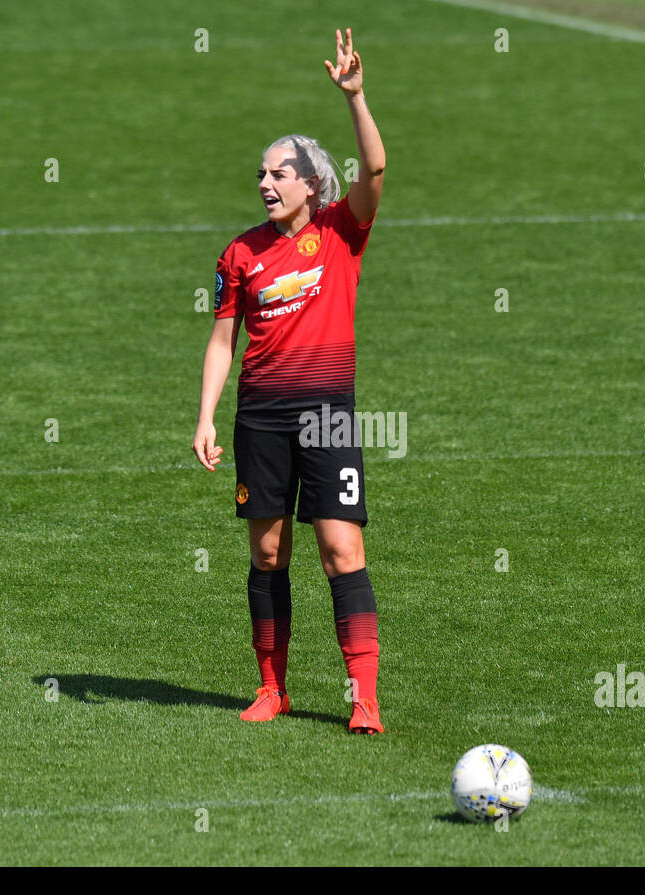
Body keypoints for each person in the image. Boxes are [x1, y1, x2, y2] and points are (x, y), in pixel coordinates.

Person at [193, 28, 387, 734]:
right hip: (262, 419)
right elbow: (223, 339)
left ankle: (363, 695)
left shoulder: (342, 231)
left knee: (342, 549)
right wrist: (206, 415)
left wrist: (356, 97)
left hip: (328, 415)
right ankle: (271, 688)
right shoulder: (240, 253)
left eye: (280, 173)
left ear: (312, 182)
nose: (266, 183)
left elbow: (377, 167)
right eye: (261, 175)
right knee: (268, 551)